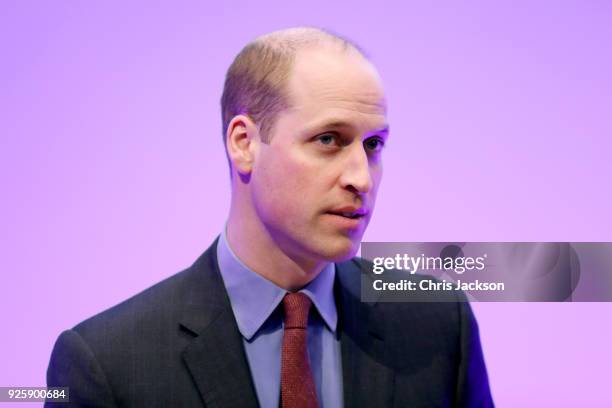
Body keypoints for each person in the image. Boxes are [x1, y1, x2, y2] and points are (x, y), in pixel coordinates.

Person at [46, 27, 494, 407]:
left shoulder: (437, 326)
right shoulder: (106, 363)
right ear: (243, 143)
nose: (362, 177)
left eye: (373, 145)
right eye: (328, 139)